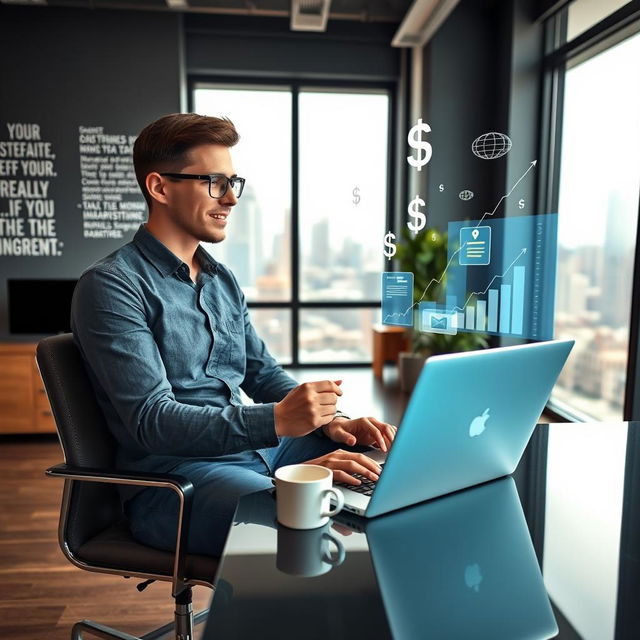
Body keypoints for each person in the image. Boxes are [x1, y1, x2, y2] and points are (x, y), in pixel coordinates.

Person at [71, 113, 396, 557]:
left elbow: (262, 374)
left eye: (233, 182)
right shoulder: (112, 285)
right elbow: (153, 421)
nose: (230, 198)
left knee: (376, 464)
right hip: (180, 482)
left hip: (256, 453)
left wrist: (332, 422)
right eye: (214, 182)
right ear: (160, 187)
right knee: (315, 525)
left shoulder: (221, 279)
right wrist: (277, 422)